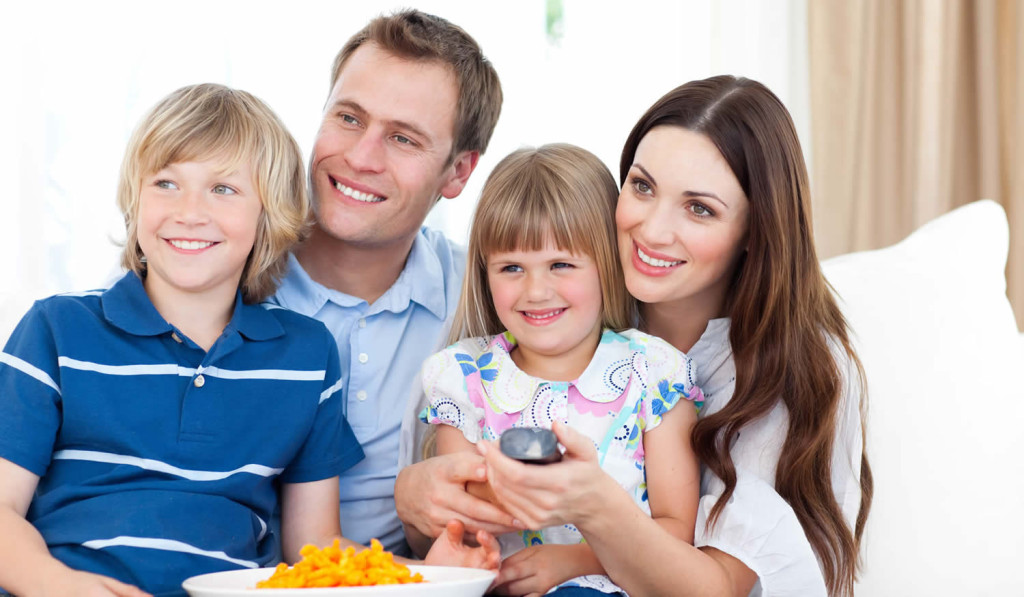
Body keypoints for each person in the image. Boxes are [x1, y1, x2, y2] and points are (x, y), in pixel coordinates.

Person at [0, 83, 497, 597]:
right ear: (134, 196)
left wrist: (428, 572)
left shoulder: (306, 356)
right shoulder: (57, 329)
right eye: (166, 183)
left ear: (269, 214)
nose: (190, 211)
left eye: (224, 189)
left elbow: (315, 551)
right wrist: (59, 587)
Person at [398, 75, 873, 597]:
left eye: (700, 208)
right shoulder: (559, 319)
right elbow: (447, 530)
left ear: (755, 234)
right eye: (643, 187)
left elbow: (710, 585)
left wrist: (589, 518)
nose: (650, 230)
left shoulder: (773, 372)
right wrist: (421, 502)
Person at [266, 9, 506, 557]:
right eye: (348, 118)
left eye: (402, 138)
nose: (359, 157)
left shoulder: (493, 299)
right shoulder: (218, 273)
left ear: (458, 173)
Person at [419, 144, 704, 595]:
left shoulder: (655, 373)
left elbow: (677, 531)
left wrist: (576, 560)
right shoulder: (463, 377)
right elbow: (462, 520)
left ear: (605, 265)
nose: (536, 291)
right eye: (511, 267)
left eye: (560, 265)